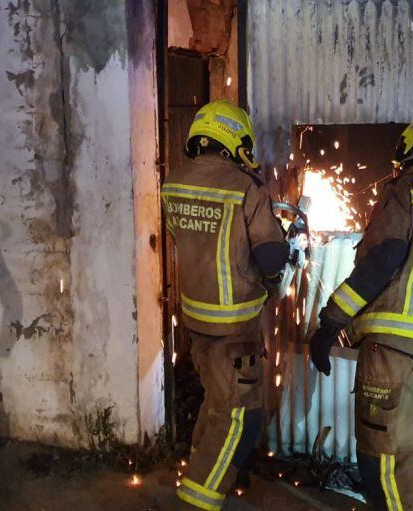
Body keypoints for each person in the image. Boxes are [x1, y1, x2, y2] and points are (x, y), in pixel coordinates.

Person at [309, 114, 413, 511]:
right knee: (405, 449)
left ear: (412, 149)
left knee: (379, 458)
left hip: (389, 351)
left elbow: (382, 259)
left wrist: (331, 321)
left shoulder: (407, 191)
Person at [163, 100, 289, 511]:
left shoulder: (175, 183)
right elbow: (271, 258)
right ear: (235, 140)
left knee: (218, 405)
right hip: (236, 328)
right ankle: (198, 499)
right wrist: (279, 269)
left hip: (195, 321)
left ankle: (198, 470)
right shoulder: (245, 188)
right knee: (242, 418)